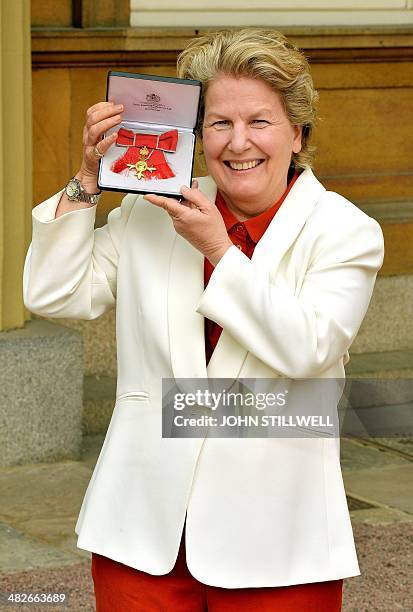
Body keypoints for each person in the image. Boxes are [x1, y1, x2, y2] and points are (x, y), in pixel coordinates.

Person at [23, 28, 384, 611]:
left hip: (278, 541)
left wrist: (220, 250)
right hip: (142, 534)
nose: (238, 143)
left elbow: (309, 349)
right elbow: (53, 293)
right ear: (197, 132)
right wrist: (87, 179)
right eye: (219, 123)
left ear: (297, 133)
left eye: (260, 122)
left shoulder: (345, 232)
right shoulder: (152, 208)